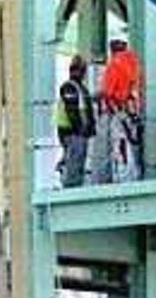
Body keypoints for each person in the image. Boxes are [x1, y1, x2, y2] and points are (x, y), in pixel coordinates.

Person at [96, 37, 142, 183]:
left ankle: (122, 176)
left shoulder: (114, 64)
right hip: (131, 111)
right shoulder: (133, 64)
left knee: (119, 143)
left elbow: (107, 92)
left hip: (118, 110)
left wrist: (98, 97)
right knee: (131, 142)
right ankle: (133, 173)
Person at [55, 53, 95, 189]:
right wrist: (81, 130)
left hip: (75, 132)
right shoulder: (70, 87)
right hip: (72, 132)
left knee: (76, 161)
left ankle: (71, 182)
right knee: (74, 162)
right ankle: (70, 186)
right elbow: (72, 111)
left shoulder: (78, 87)